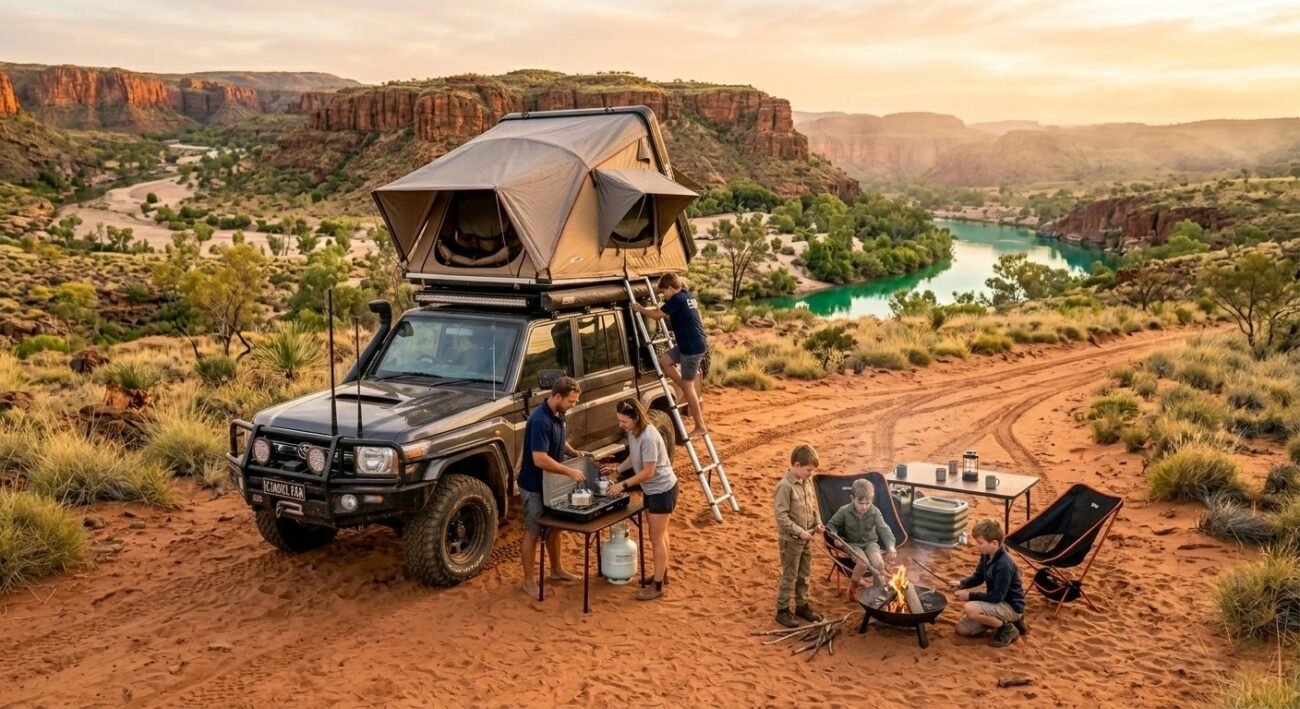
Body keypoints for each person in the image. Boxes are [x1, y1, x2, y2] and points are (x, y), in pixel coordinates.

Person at [519, 376, 591, 598]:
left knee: (554, 527)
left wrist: (574, 453)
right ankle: (529, 581)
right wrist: (569, 471)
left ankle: (557, 570)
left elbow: (557, 439)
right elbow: (540, 458)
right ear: (557, 396)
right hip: (534, 486)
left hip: (550, 484)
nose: (573, 405)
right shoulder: (540, 420)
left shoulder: (558, 414)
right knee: (533, 532)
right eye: (571, 401)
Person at [602, 399, 678, 601]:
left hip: (662, 490)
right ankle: (664, 572)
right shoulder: (634, 431)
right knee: (661, 535)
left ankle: (659, 585)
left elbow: (648, 471)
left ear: (636, 417)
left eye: (624, 421)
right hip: (653, 490)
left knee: (656, 538)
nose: (621, 425)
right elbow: (634, 457)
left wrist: (623, 484)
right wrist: (618, 469)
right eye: (619, 420)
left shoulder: (649, 437)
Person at [631, 273, 708, 439]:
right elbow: (662, 311)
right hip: (688, 344)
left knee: (689, 388)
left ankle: (700, 426)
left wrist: (640, 309)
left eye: (664, 292)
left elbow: (658, 314)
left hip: (691, 348)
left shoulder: (677, 300)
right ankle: (685, 386)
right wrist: (648, 309)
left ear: (670, 288)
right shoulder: (686, 295)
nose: (663, 296)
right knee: (665, 360)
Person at [951, 518, 1029, 647]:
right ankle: (999, 621)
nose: (977, 546)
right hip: (997, 602)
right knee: (962, 629)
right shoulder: (987, 554)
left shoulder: (1004, 565)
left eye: (980, 543)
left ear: (994, 543)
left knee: (970, 608)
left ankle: (1007, 627)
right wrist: (961, 583)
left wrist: (969, 596)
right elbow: (979, 576)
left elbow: (997, 596)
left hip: (1010, 606)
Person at [773, 443, 823, 628]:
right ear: (796, 465)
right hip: (792, 541)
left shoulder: (807, 481)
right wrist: (799, 531)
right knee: (790, 575)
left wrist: (817, 522)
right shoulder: (785, 487)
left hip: (807, 538)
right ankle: (782, 610)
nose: (811, 473)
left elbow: (811, 506)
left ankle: (802, 606)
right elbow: (781, 516)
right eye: (808, 470)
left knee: (804, 574)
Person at [827, 479, 898, 601]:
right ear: (852, 498)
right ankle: (853, 588)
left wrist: (891, 546)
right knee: (863, 563)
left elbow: (884, 529)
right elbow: (830, 526)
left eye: (868, 503)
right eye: (861, 503)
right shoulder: (844, 511)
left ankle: (878, 588)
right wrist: (835, 537)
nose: (864, 507)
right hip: (852, 544)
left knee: (879, 564)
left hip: (870, 543)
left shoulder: (875, 512)